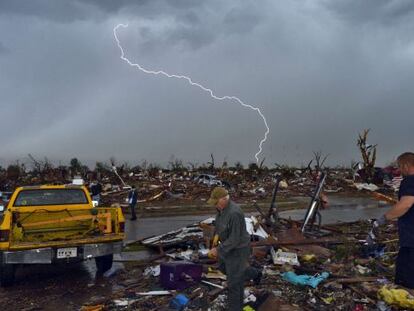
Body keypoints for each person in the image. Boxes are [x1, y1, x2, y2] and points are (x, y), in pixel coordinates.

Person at [207, 187, 261, 311]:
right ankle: (254, 273)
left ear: (224, 199)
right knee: (223, 267)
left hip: (238, 249)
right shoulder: (220, 209)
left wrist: (218, 250)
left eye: (216, 202)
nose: (215, 205)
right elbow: (219, 225)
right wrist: (215, 237)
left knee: (234, 283)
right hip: (227, 246)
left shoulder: (234, 213)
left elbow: (235, 239)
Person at [369, 152, 414, 289]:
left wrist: (383, 219)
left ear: (406, 165)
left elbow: (406, 203)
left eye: (400, 166)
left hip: (412, 237)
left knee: (405, 274)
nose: (399, 170)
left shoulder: (410, 180)